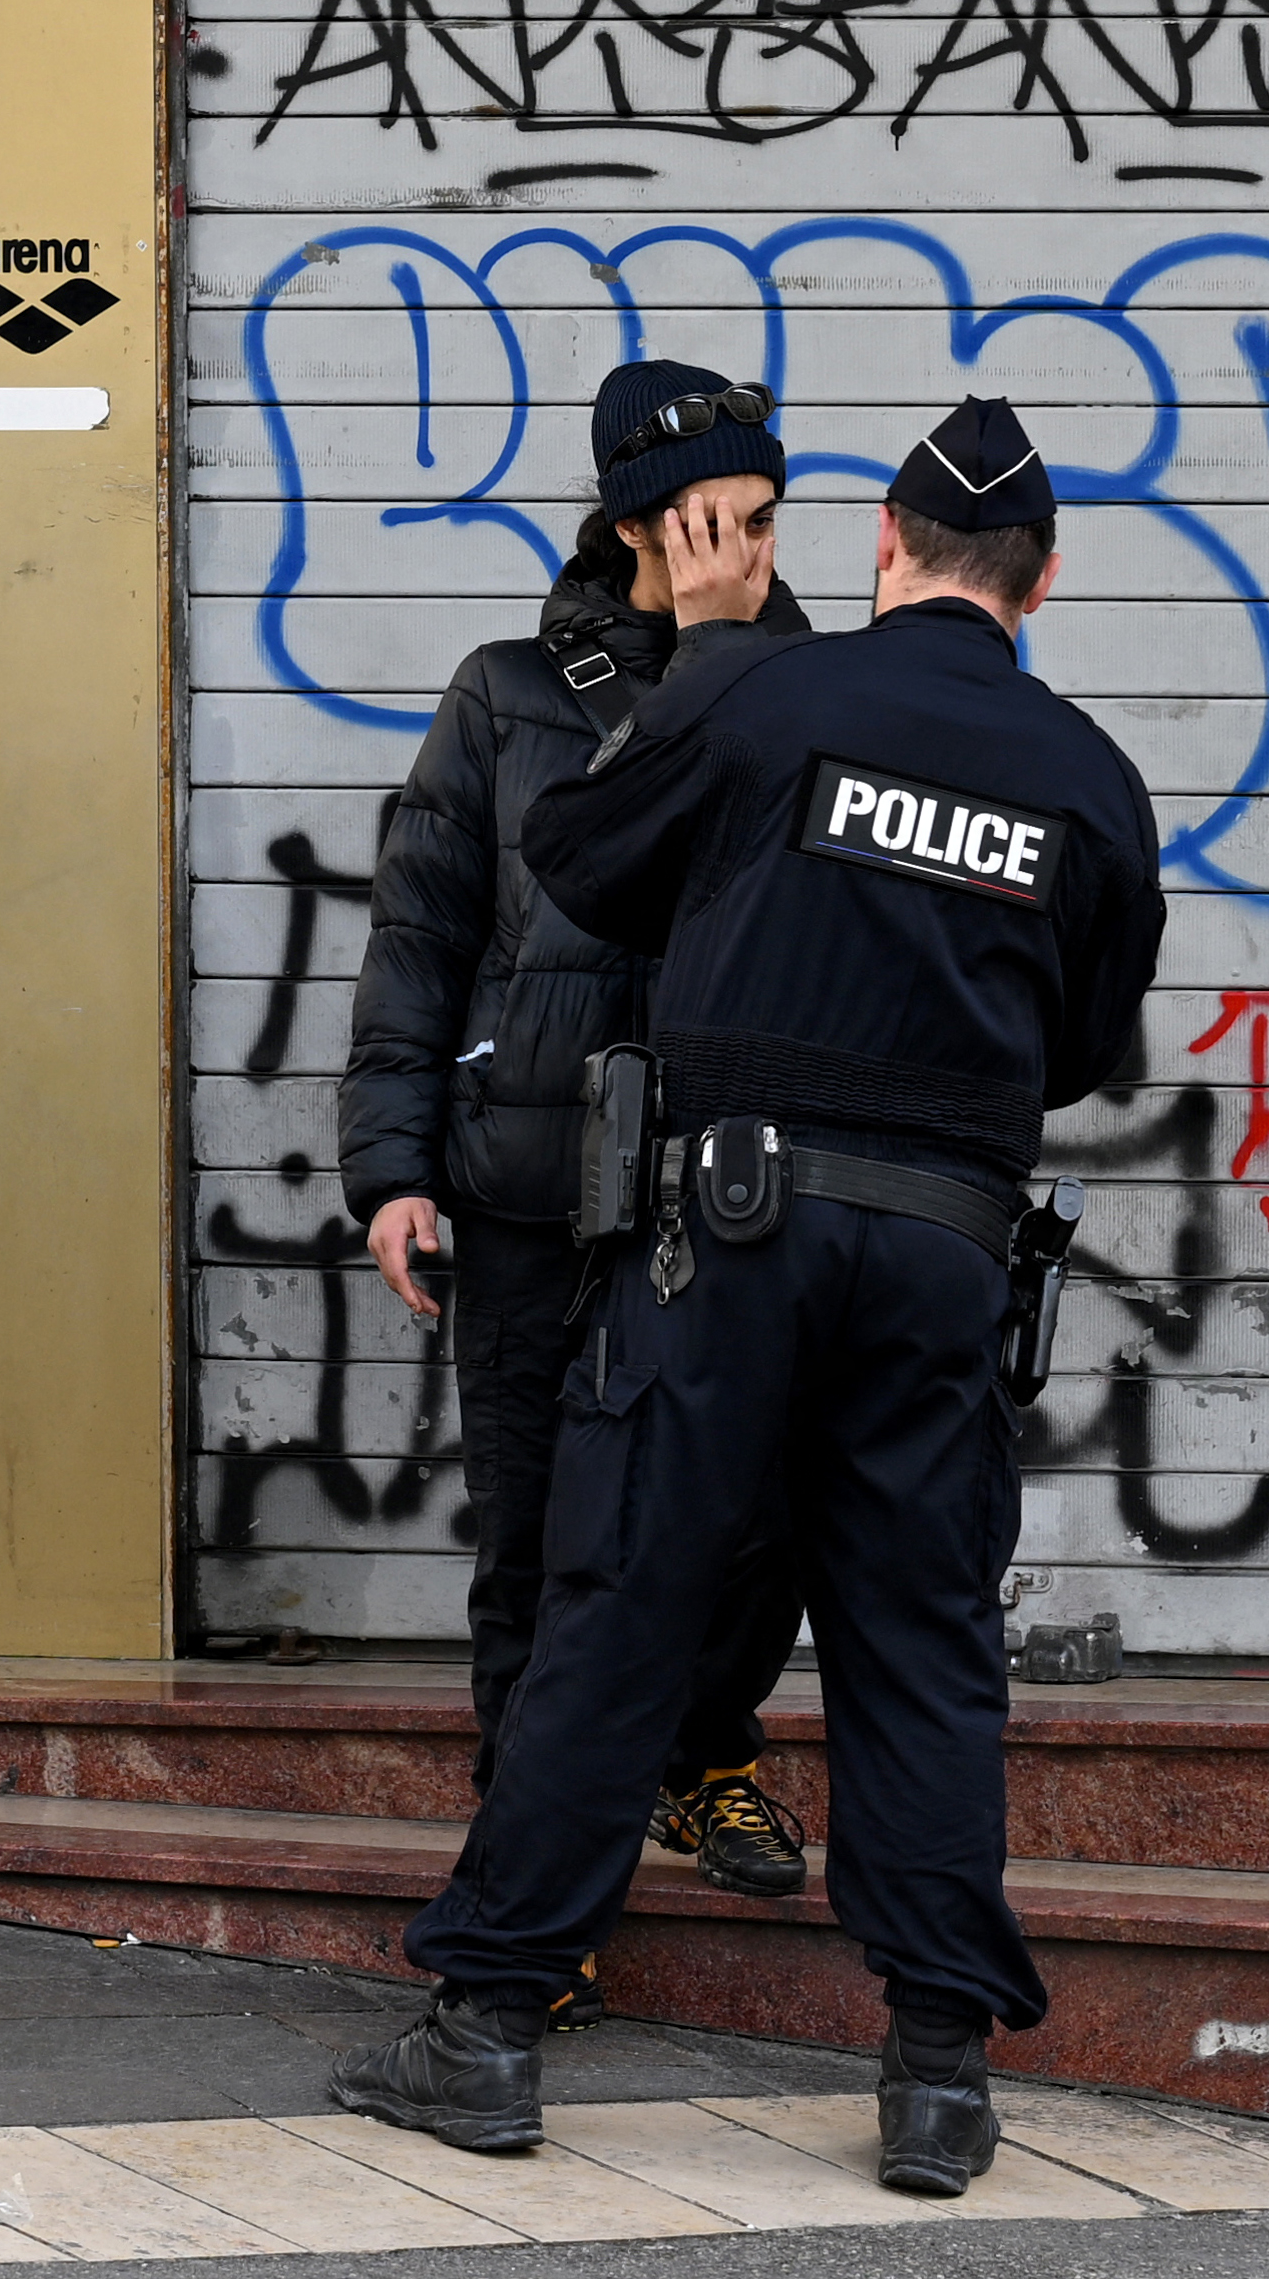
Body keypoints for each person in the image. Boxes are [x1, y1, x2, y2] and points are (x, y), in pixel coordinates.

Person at [330, 395, 1161, 2201]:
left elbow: (592, 863)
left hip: (731, 1232)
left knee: (619, 1598)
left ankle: (484, 2031)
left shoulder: (771, 696)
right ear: (1044, 576)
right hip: (942, 1251)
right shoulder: (1086, 774)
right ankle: (937, 2075)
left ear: (882, 551)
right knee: (920, 1644)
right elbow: (1092, 1049)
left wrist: (706, 658)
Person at [345, 359, 818, 1903]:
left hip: (736, 1191)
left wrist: (732, 656)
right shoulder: (506, 691)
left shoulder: (812, 691)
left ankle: (699, 1751)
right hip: (533, 1182)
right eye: (706, 521)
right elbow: (418, 934)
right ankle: (532, 1879)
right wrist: (393, 1170)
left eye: (759, 519)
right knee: (538, 1538)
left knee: (750, 1519)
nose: (742, 552)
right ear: (629, 523)